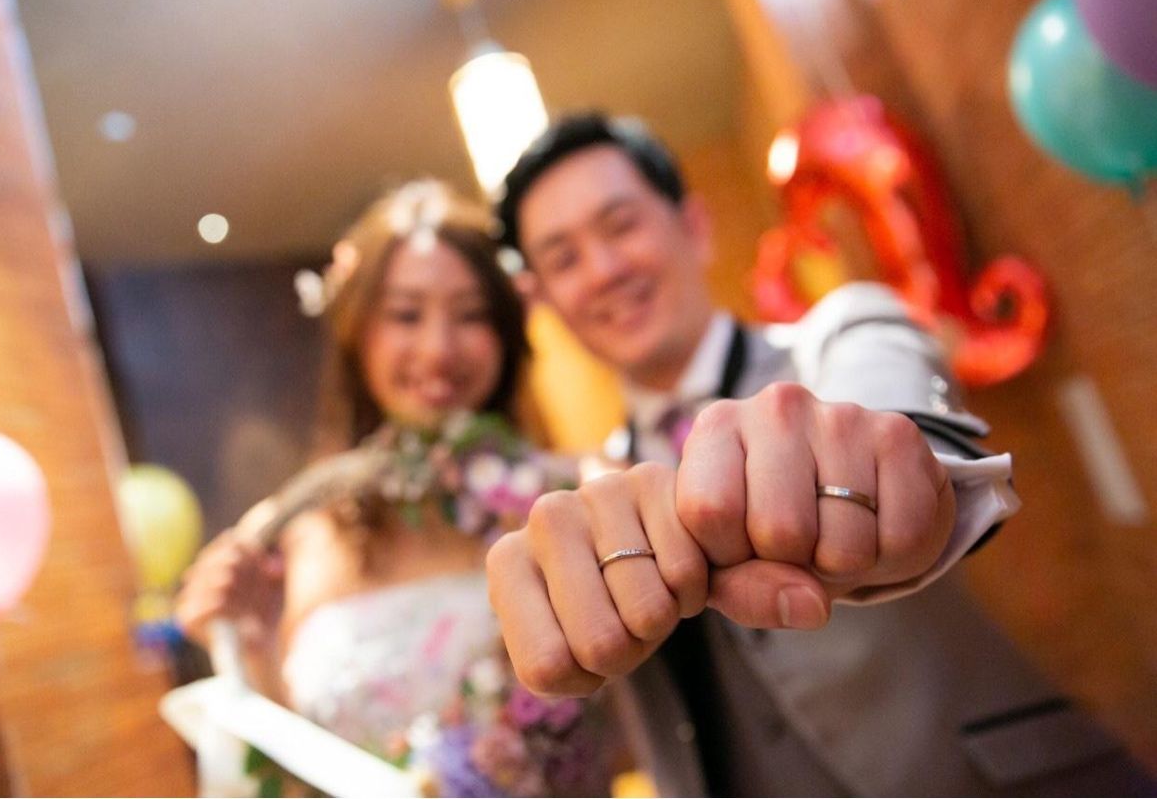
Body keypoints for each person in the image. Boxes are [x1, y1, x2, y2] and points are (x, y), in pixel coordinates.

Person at [486, 113, 1155, 795]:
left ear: (694, 226)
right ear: (543, 299)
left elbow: (908, 434)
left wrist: (902, 485)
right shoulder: (587, 498)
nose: (603, 271)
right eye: (563, 259)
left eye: (620, 225)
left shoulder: (844, 333)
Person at [175, 180, 616, 797]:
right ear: (358, 333)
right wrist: (250, 651)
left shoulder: (577, 499)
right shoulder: (288, 535)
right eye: (406, 315)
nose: (438, 350)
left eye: (471, 315)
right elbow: (284, 779)